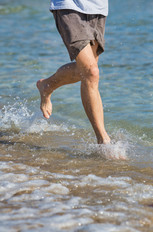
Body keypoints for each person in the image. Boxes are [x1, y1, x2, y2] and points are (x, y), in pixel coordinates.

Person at [37, 0, 111, 144]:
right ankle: (103, 141)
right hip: (69, 6)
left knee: (84, 72)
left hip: (99, 8)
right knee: (91, 72)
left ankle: (47, 85)